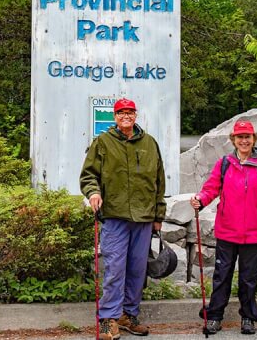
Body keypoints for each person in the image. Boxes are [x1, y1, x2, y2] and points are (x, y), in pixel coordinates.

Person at [80, 98, 166, 340]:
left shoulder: (150, 143)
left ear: (135, 115)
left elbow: (159, 180)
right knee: (115, 269)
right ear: (115, 117)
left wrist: (159, 215)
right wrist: (93, 192)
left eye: (130, 112)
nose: (126, 116)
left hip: (144, 217)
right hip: (114, 216)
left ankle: (128, 316)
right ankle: (108, 321)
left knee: (137, 271)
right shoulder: (103, 142)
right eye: (121, 113)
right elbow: (88, 175)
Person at [189, 120, 257, 335]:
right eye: (240, 137)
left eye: (248, 136)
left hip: (254, 235)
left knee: (249, 280)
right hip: (227, 232)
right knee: (221, 276)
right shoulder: (225, 164)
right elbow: (211, 188)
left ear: (253, 139)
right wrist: (201, 200)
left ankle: (248, 318)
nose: (244, 140)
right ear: (234, 140)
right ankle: (214, 317)